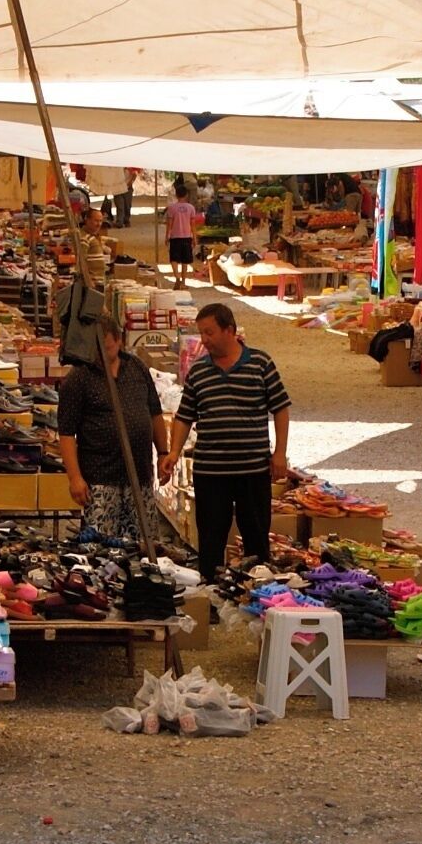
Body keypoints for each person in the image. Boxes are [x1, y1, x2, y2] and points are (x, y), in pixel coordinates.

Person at [164, 301, 291, 578]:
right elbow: (185, 416)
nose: (204, 340)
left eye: (209, 333)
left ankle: (258, 592)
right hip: (210, 472)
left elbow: (280, 408)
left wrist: (279, 453)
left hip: (252, 470)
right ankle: (209, 594)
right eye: (202, 333)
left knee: (256, 540)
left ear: (229, 330)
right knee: (210, 541)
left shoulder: (260, 363)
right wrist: (173, 453)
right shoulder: (199, 371)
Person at [57, 322, 166, 538]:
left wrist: (163, 452)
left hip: (139, 475)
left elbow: (155, 412)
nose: (103, 355)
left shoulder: (137, 368)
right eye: (98, 349)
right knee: (100, 545)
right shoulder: (79, 377)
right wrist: (75, 478)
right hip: (100, 478)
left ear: (119, 342)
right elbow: (67, 433)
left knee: (143, 545)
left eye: (108, 348)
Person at [164, 184, 205, 282]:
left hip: (175, 237)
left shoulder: (171, 208)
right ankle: (183, 281)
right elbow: (193, 225)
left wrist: (167, 237)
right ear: (186, 195)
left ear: (176, 195)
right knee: (185, 261)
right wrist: (194, 238)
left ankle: (177, 277)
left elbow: (169, 224)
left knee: (174, 258)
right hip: (187, 236)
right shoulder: (191, 208)